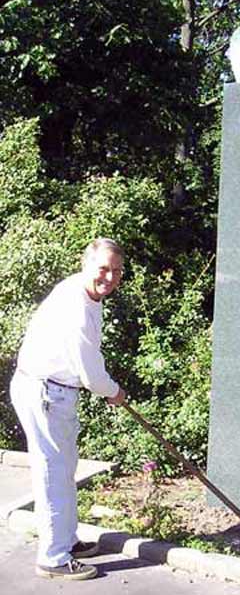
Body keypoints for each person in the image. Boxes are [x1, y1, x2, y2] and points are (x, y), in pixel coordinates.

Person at [10, 237, 126, 581]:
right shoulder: (77, 304)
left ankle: (67, 542)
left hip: (53, 391)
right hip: (45, 392)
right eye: (103, 268)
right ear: (86, 264)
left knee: (63, 469)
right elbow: (90, 371)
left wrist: (105, 386)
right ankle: (53, 558)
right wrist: (113, 391)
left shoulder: (86, 294)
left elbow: (89, 359)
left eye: (116, 271)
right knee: (53, 474)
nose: (109, 277)